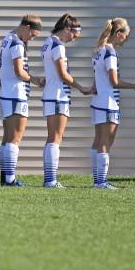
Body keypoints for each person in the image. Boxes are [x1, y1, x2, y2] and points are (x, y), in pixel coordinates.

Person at [91, 18, 135, 189]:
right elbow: (114, 81)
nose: (126, 39)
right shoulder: (110, 52)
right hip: (108, 102)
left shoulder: (99, 50)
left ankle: (98, 180)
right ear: (118, 33)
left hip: (99, 100)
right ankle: (101, 182)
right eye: (126, 36)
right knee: (106, 141)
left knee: (98, 140)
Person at [40, 14, 90, 189]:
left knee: (52, 138)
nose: (75, 37)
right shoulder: (58, 45)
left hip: (52, 94)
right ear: (67, 29)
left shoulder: (48, 42)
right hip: (58, 95)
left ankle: (49, 179)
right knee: (55, 138)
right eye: (75, 33)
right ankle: (51, 180)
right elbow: (62, 73)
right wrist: (80, 87)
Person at [0, 14, 43, 186]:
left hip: (6, 93)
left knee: (7, 137)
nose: (31, 38)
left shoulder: (8, 38)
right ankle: (10, 179)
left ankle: (5, 177)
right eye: (32, 35)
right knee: (15, 138)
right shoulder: (17, 43)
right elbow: (19, 71)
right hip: (16, 94)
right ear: (26, 27)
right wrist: (35, 79)